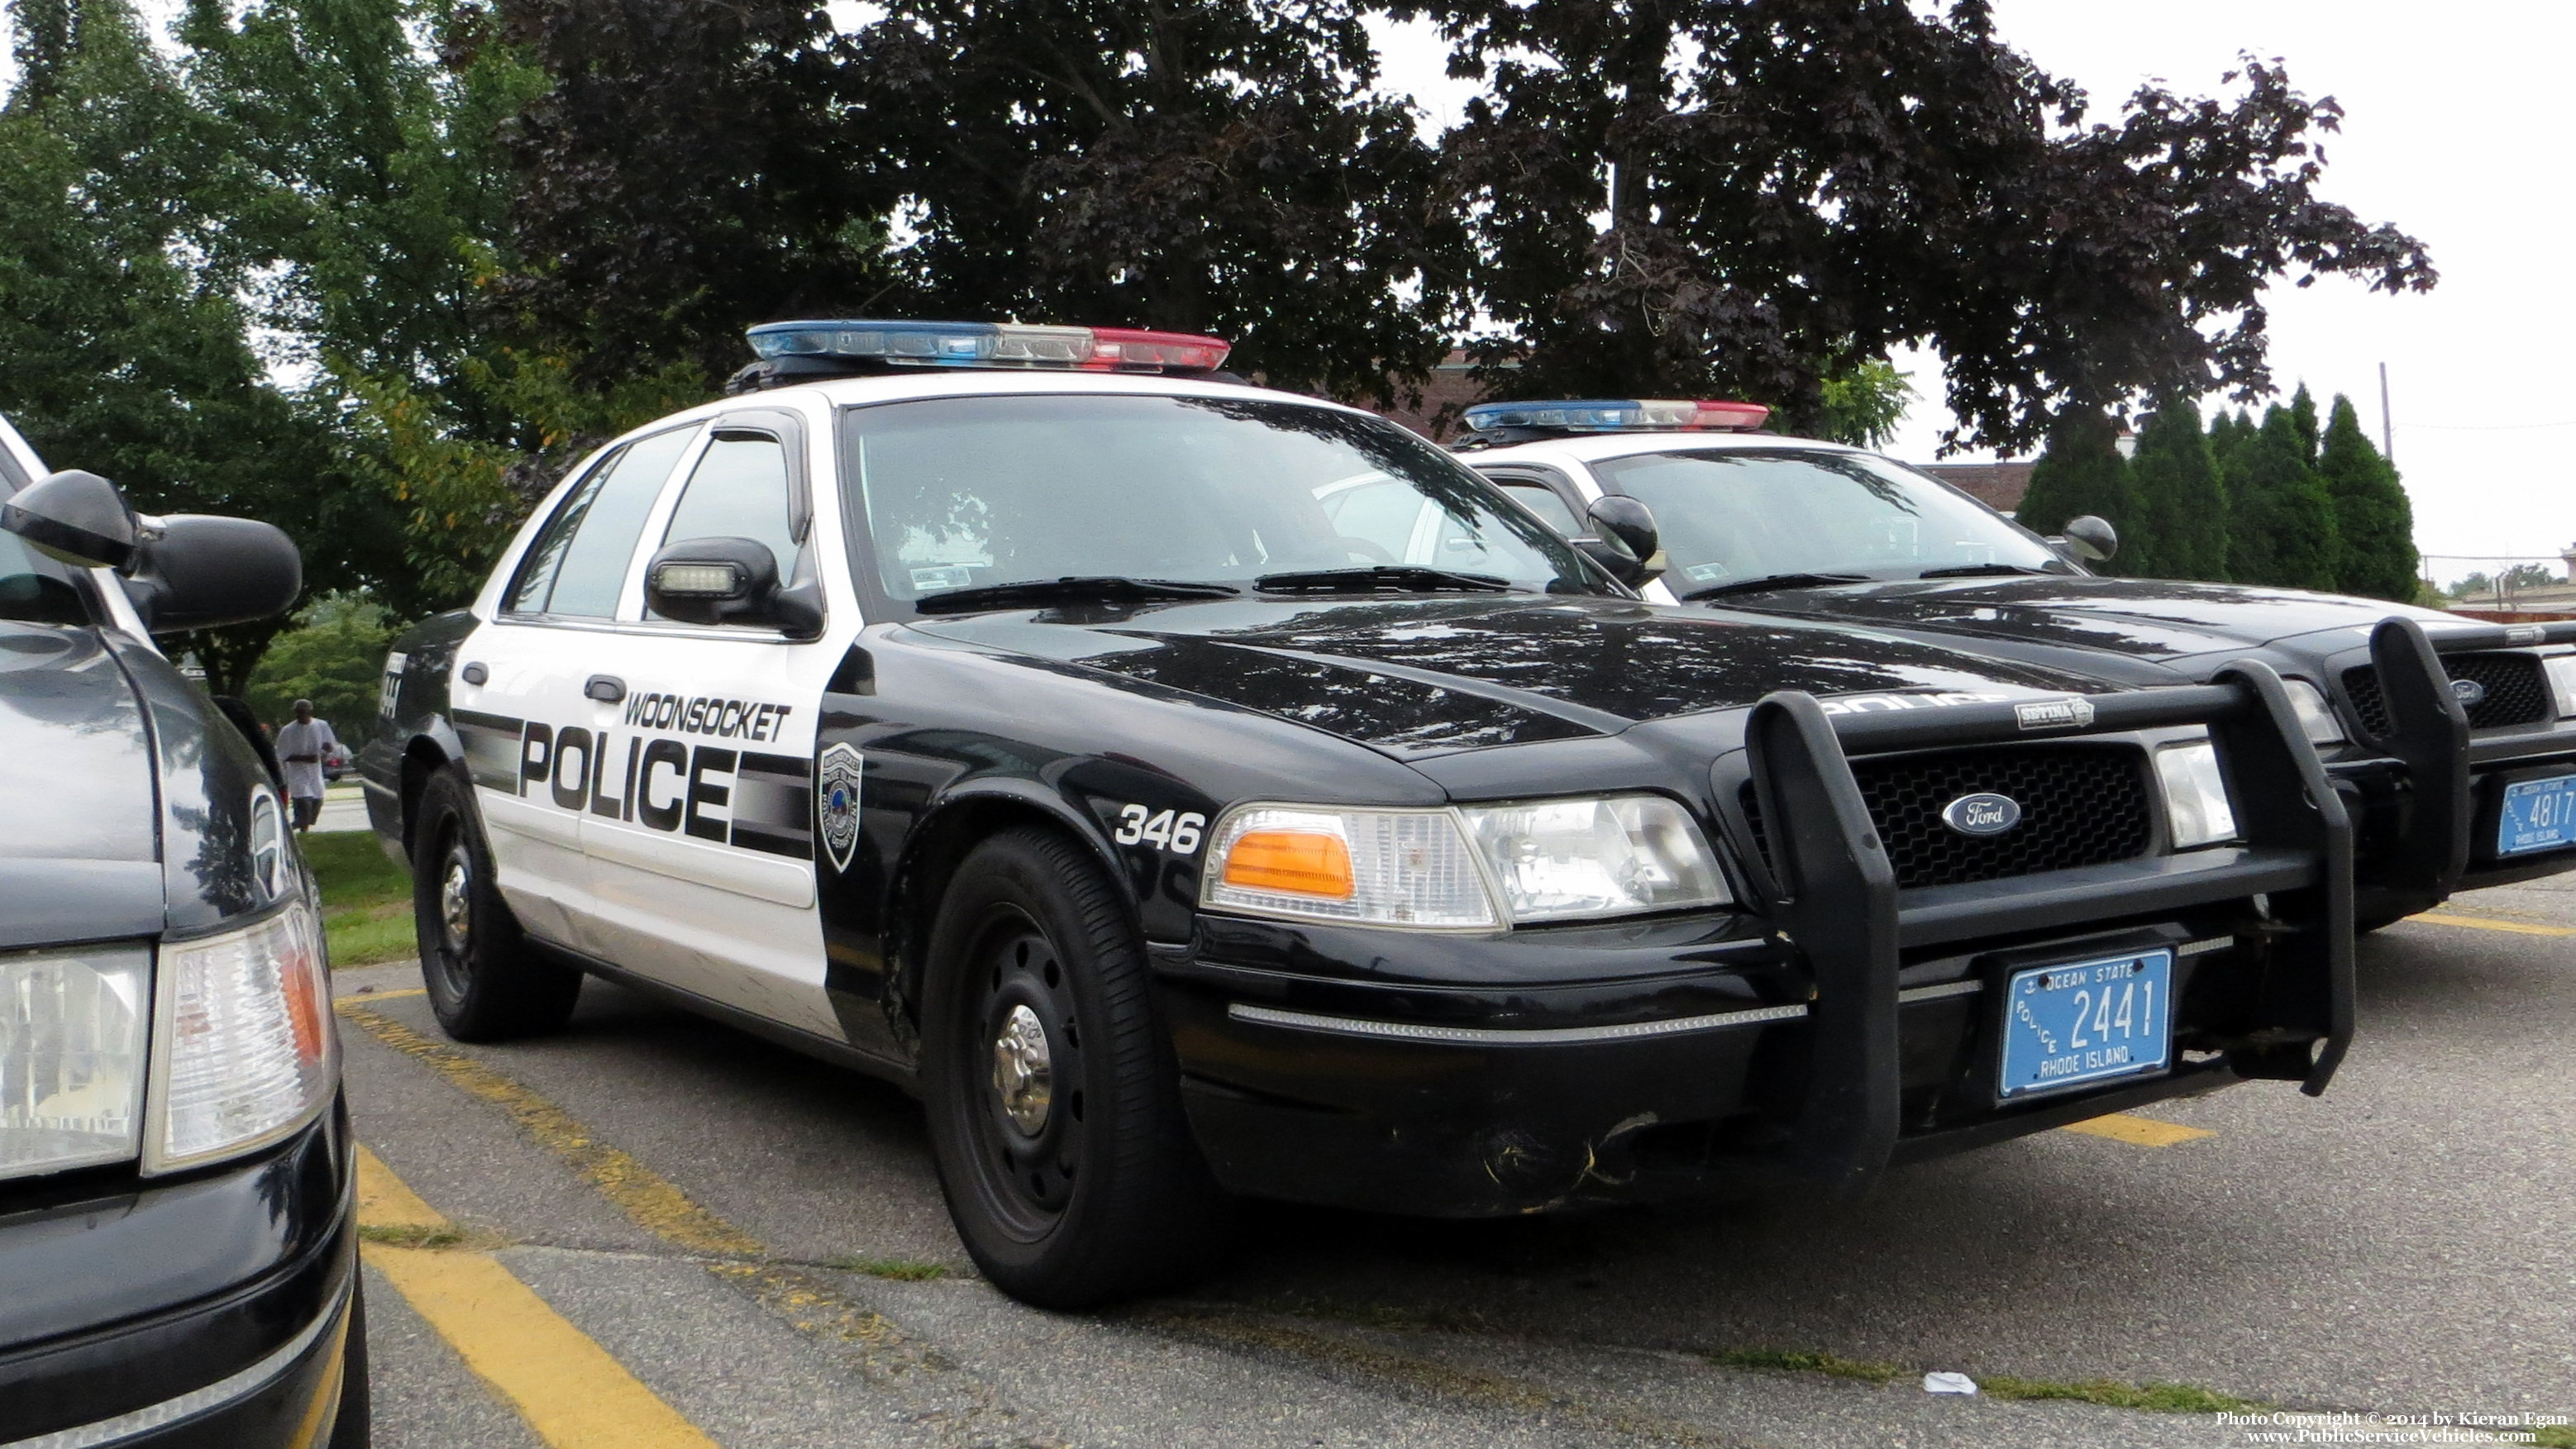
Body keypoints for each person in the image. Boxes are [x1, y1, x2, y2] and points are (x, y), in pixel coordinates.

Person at [275, 698, 340, 832]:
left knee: (316, 801)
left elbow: (330, 745)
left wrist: (323, 753)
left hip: (315, 772)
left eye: (304, 711)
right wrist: (304, 758)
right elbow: (282, 754)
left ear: (310, 711)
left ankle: (301, 826)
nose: (301, 715)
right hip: (297, 772)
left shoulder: (321, 725)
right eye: (298, 712)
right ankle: (296, 826)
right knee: (303, 801)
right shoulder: (288, 730)